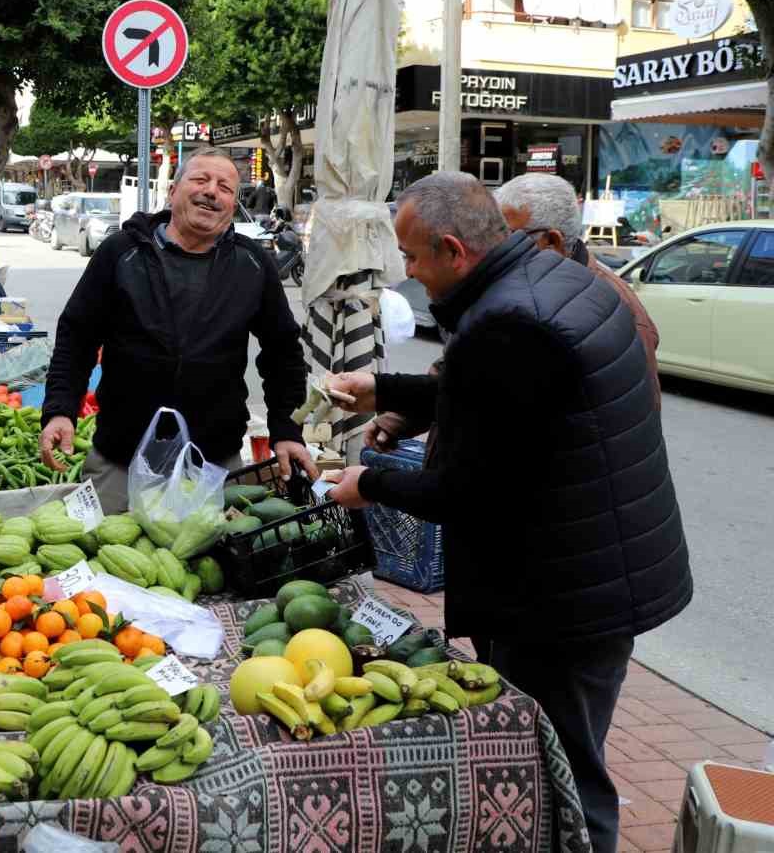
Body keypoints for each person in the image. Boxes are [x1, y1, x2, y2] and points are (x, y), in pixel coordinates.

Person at [323, 171, 691, 853]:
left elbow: (465, 489)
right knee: (564, 754)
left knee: (565, 769)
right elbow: (496, 394)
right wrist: (383, 390)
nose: (406, 271)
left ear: (454, 250)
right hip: (593, 569)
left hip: (564, 595)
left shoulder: (510, 319)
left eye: (410, 257)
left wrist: (367, 484)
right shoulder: (554, 280)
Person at [39, 147, 314, 503]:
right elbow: (77, 337)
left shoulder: (253, 264)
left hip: (213, 463)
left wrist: (286, 429)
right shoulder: (121, 253)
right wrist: (61, 409)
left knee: (212, 556)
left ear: (232, 206)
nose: (212, 191)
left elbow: (283, 353)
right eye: (200, 180)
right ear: (172, 191)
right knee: (109, 553)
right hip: (120, 461)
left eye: (225, 188)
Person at [495, 173, 660, 405]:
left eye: (509, 236)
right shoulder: (523, 284)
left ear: (552, 242)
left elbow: (637, 414)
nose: (499, 247)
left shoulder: (617, 308)